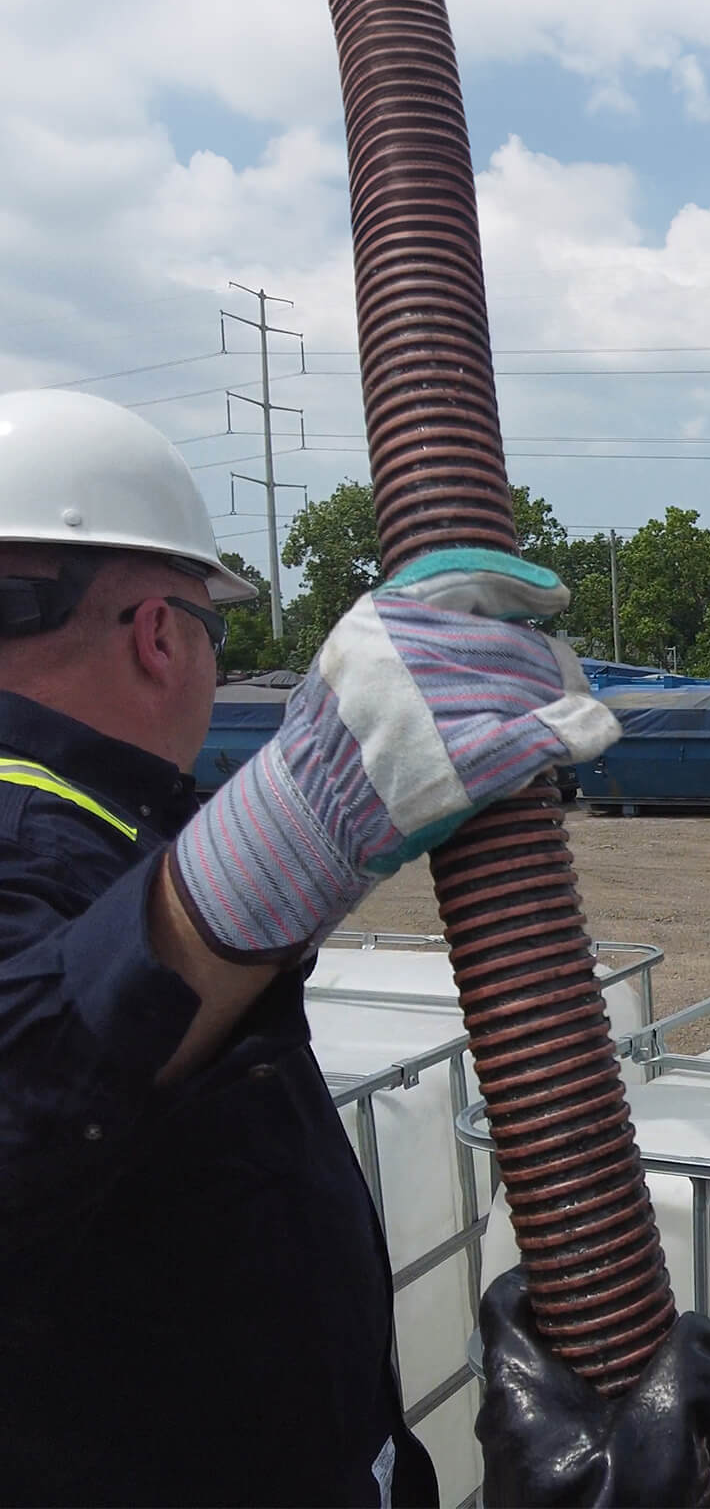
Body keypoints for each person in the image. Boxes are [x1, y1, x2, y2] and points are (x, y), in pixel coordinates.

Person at [0, 388, 622, 1505]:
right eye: (212, 625)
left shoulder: (92, 826)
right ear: (158, 635)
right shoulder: (31, 834)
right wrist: (298, 824)